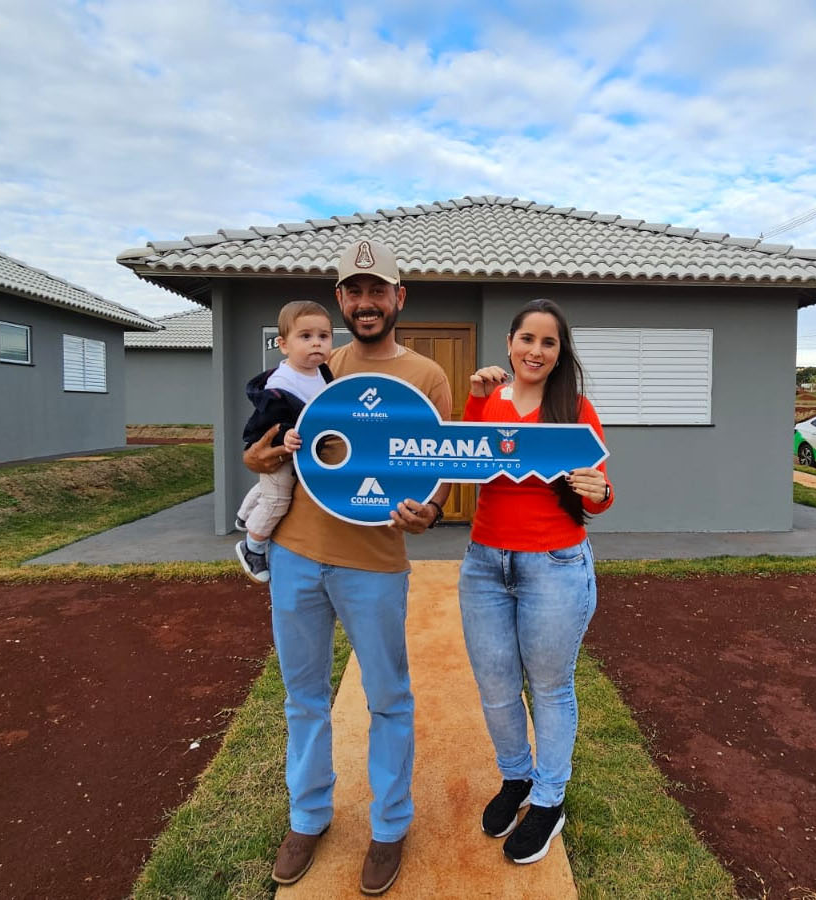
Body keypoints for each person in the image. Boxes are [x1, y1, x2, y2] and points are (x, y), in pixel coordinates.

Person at [243, 239, 451, 895]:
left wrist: (433, 508)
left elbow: (438, 465)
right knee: (303, 699)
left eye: (377, 290)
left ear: (399, 298)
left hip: (375, 564)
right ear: (341, 301)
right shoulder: (314, 364)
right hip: (297, 555)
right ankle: (308, 817)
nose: (366, 302)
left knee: (389, 700)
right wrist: (262, 457)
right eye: (353, 292)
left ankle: (389, 828)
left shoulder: (426, 375)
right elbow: (266, 448)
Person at [459, 298, 613, 865]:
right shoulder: (489, 398)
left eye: (549, 343)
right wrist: (476, 396)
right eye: (527, 339)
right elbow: (466, 459)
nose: (536, 351)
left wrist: (600, 492)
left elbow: (599, 489)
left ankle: (549, 799)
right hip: (484, 563)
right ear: (509, 342)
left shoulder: (574, 408)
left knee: (549, 687)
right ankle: (516, 778)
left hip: (554, 563)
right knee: (496, 687)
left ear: (559, 352)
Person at [233, 300, 334, 583]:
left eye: (323, 336)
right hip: (281, 449)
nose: (316, 344)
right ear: (283, 344)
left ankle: (244, 517)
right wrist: (284, 434)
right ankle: (251, 546)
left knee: (270, 488)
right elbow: (266, 422)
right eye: (305, 336)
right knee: (277, 499)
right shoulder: (282, 382)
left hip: (301, 450)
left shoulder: (322, 373)